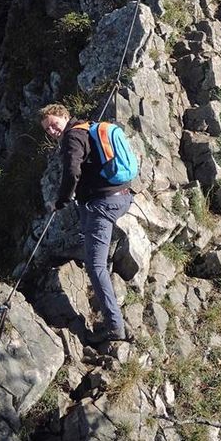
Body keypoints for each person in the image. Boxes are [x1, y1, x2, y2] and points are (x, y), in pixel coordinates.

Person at [39, 103, 132, 344]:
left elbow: (72, 170)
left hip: (103, 203)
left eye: (53, 123)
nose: (51, 130)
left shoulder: (73, 136)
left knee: (95, 266)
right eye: (47, 128)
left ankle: (115, 327)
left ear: (64, 116)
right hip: (119, 196)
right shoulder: (86, 127)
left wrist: (61, 200)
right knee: (90, 239)